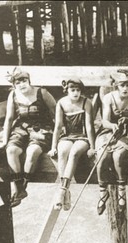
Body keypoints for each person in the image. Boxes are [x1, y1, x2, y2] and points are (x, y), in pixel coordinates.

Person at [1, 67, 56, 207]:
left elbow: (57, 114)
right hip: (21, 129)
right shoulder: (13, 95)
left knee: (32, 152)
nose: (22, 84)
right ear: (13, 85)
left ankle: (22, 188)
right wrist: (5, 141)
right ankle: (18, 187)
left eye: (24, 80)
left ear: (29, 81)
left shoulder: (41, 92)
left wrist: (58, 136)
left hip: (42, 129)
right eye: (17, 82)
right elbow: (9, 119)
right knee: (11, 151)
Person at [95, 71, 128, 215]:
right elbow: (104, 121)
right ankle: (103, 191)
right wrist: (111, 126)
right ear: (116, 85)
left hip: (127, 132)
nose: (125, 89)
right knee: (103, 156)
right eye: (122, 85)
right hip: (109, 132)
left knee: (119, 156)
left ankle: (122, 190)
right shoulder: (109, 98)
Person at [48, 78, 96, 211]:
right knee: (62, 151)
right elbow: (58, 126)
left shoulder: (86, 102)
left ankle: (62, 190)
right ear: (67, 90)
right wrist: (53, 147)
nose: (75, 93)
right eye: (72, 90)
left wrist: (92, 147)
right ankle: (67, 193)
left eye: (78, 90)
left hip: (83, 137)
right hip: (68, 136)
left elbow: (89, 126)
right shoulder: (61, 103)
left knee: (74, 152)